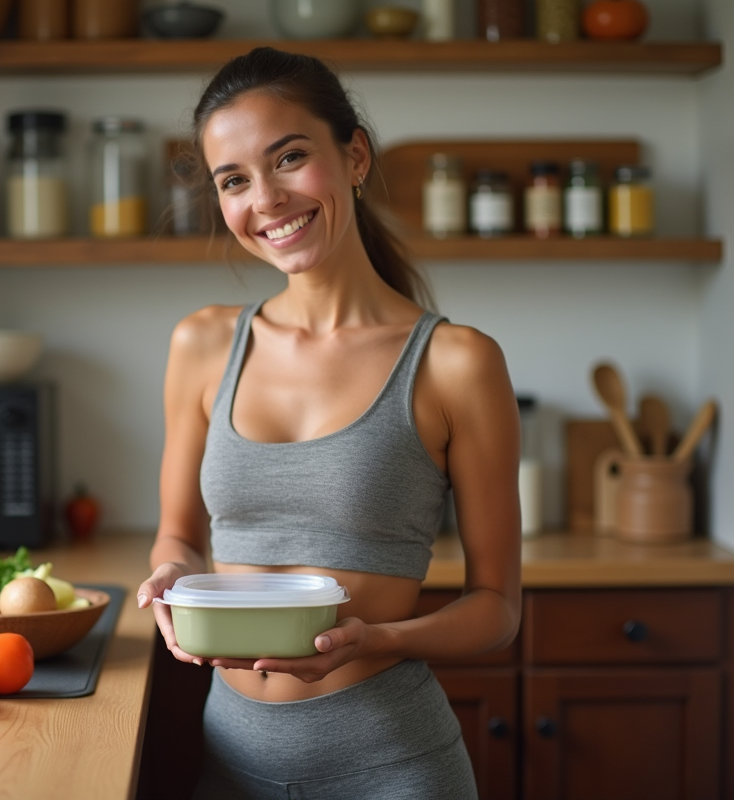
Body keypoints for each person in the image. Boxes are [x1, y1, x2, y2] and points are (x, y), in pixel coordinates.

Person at [135, 46, 522, 800]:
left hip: (393, 766)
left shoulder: (456, 363)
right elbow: (179, 536)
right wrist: (171, 585)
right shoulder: (203, 345)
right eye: (235, 180)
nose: (267, 199)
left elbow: (497, 609)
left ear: (354, 156)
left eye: (289, 158)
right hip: (229, 763)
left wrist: (377, 640)